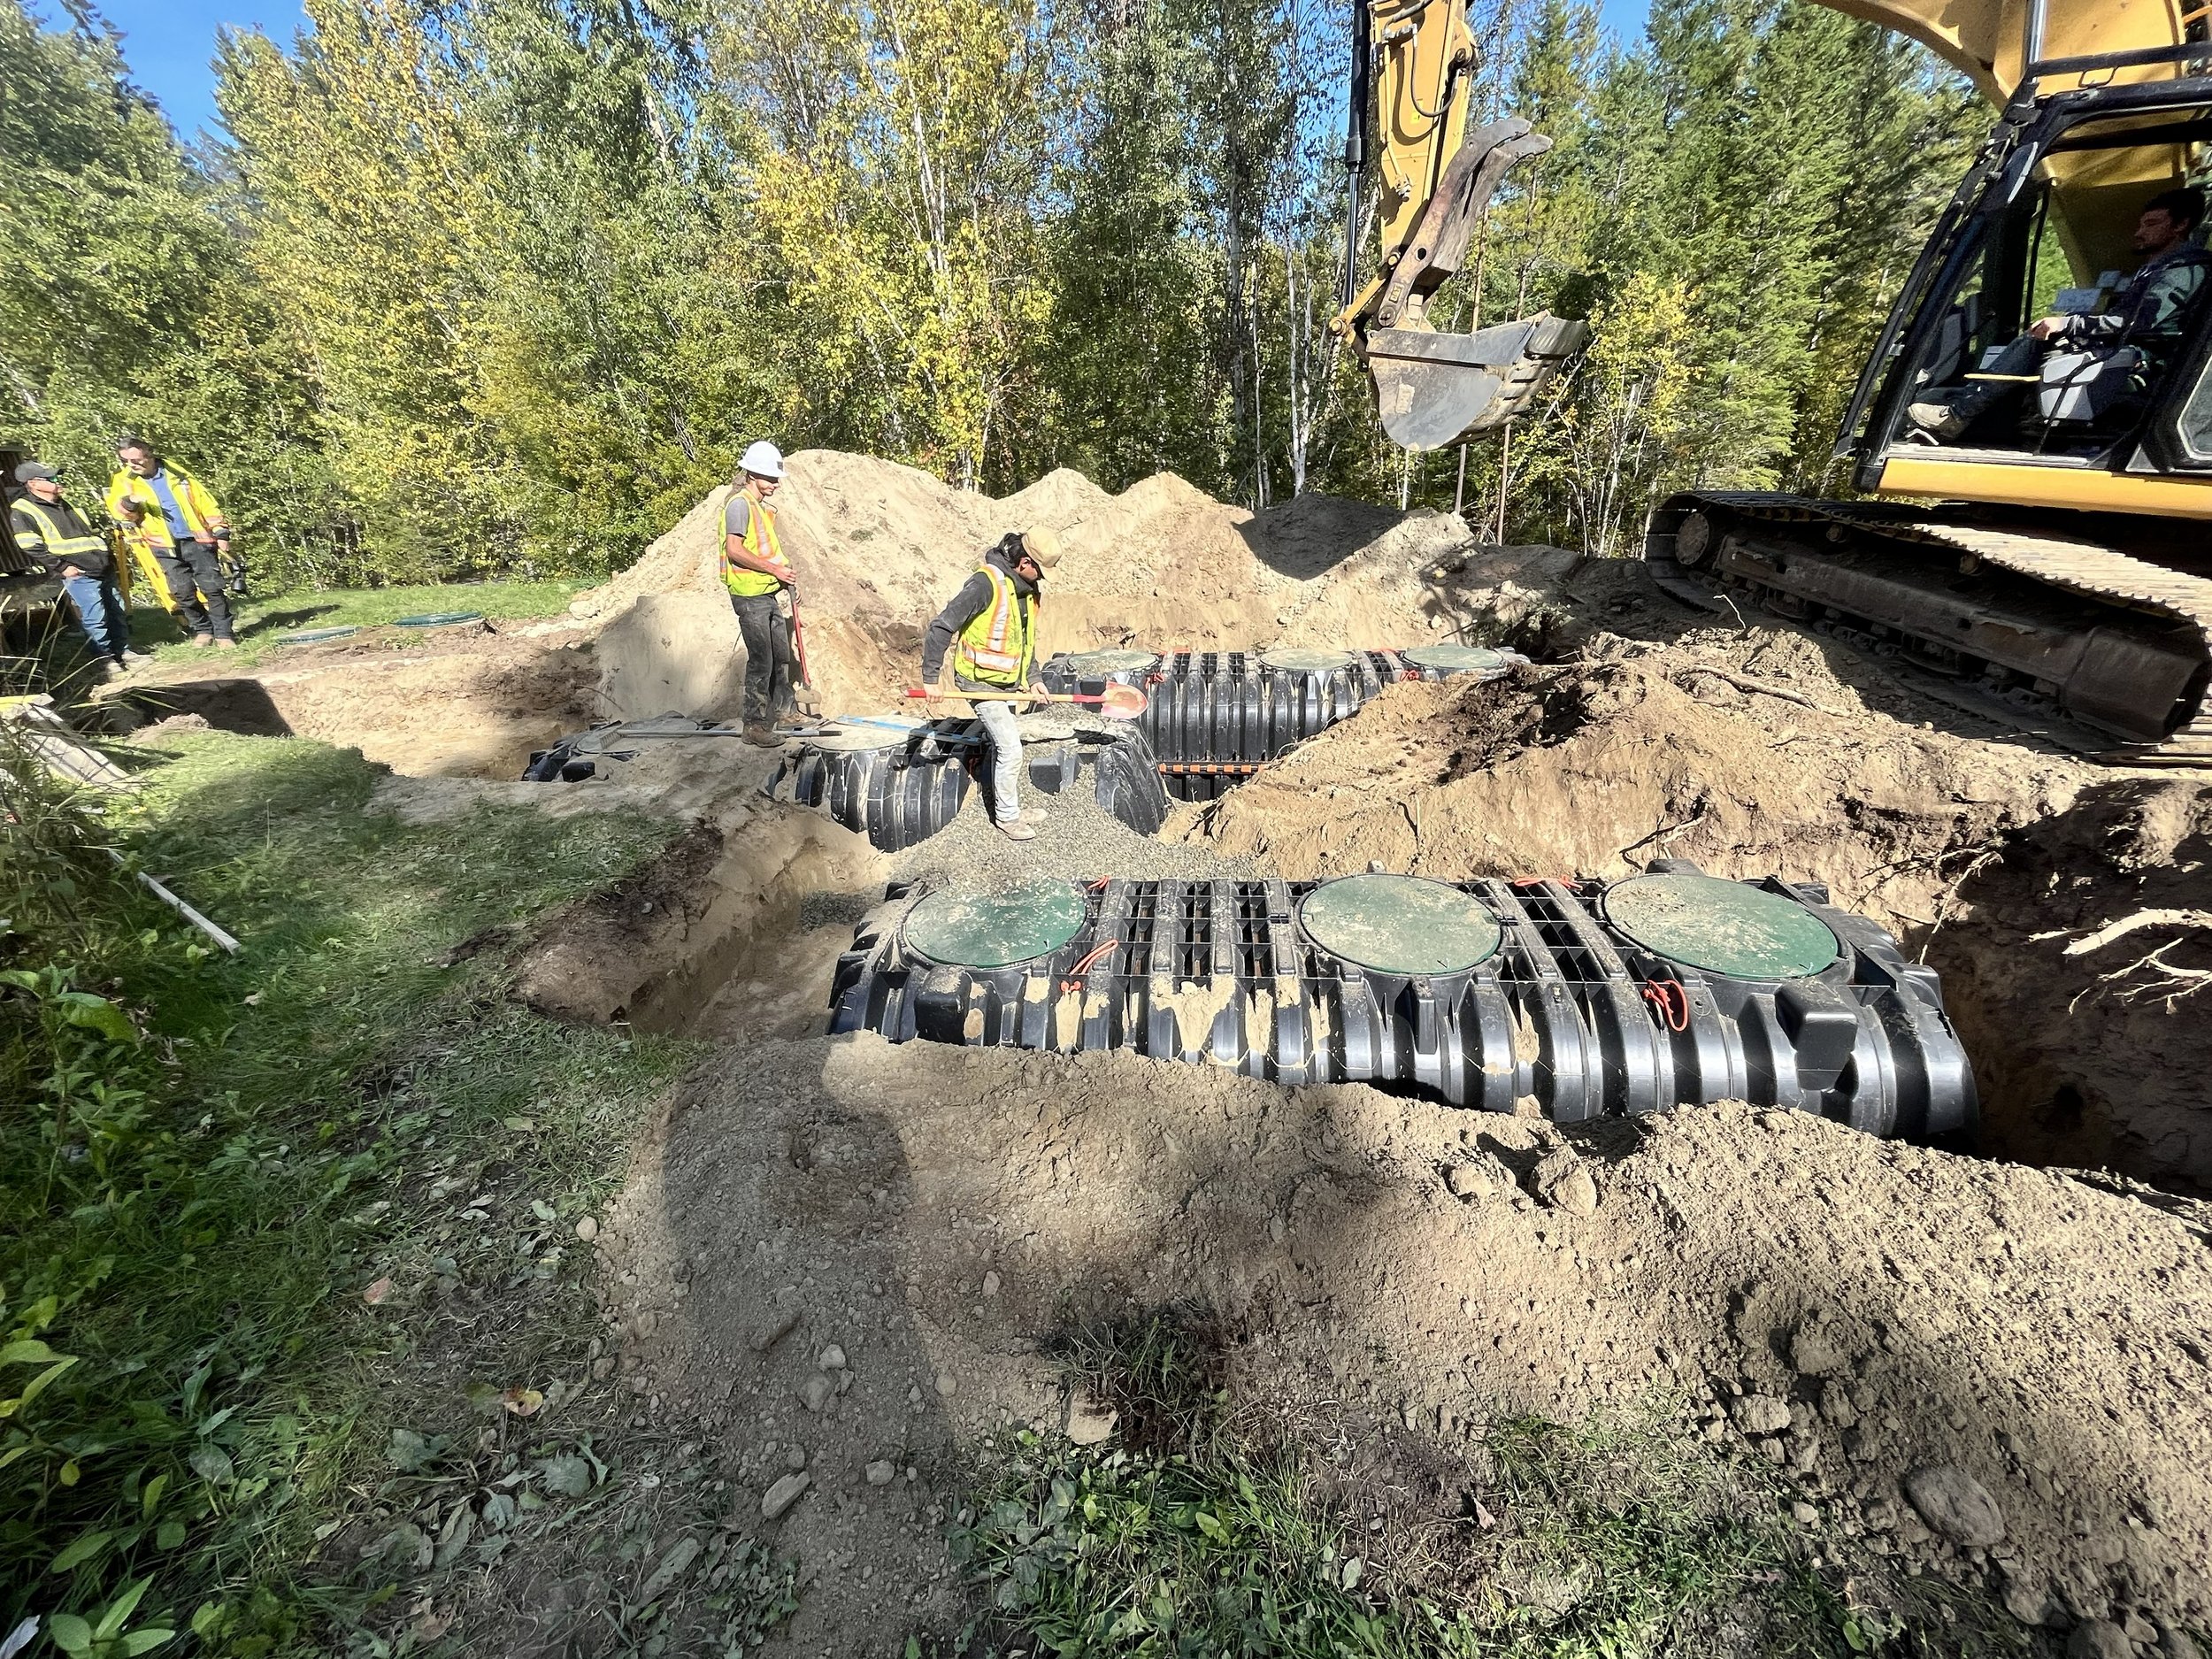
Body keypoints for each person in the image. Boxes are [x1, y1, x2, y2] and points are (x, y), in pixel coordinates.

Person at [1910, 188, 2211, 442]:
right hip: (2132, 351)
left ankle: (1960, 414)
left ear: (2180, 226)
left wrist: (2067, 323)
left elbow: (2135, 323)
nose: (2139, 232)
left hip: (2149, 362)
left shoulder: (2182, 271)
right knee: (2038, 338)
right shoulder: (2160, 268)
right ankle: (1976, 412)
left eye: (2151, 224)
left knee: (2038, 339)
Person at [919, 527, 1060, 841]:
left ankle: (1008, 806)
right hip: (978, 682)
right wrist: (930, 678)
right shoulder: (985, 584)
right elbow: (942, 626)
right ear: (1024, 562)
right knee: (1011, 748)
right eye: (1039, 570)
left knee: (1003, 746)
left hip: (1006, 683)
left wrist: (1034, 679)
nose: (1041, 578)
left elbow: (1024, 642)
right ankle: (1008, 818)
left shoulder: (1024, 590)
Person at [8, 461, 145, 675]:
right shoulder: (23, 510)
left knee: (115, 612)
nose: (57, 481)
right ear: (33, 484)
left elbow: (87, 537)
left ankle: (124, 652)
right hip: (77, 572)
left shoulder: (65, 504)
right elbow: (29, 545)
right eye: (51, 479)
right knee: (95, 617)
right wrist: (62, 567)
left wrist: (106, 559)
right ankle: (105, 661)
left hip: (100, 568)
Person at [104, 436, 238, 649]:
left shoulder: (178, 473)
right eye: (126, 461)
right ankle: (203, 630)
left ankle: (224, 634)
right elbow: (119, 514)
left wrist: (221, 533)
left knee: (212, 588)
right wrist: (129, 503)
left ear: (149, 455)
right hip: (163, 545)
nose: (131, 465)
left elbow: (206, 503)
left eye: (136, 460)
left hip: (198, 539)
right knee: (181, 591)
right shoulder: (124, 480)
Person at [722, 440, 799, 746]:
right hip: (749, 595)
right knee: (761, 661)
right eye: (770, 478)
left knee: (780, 655)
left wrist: (784, 579)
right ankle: (753, 725)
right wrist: (775, 571)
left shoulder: (759, 508)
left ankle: (784, 710)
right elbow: (735, 550)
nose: (776, 484)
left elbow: (763, 550)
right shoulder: (739, 505)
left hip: (766, 593)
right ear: (753, 474)